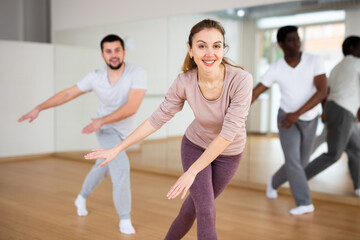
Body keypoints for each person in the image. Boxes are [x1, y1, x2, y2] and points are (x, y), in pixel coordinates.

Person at [84, 19, 252, 240]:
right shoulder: (185, 81)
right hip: (195, 146)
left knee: (192, 208)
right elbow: (157, 119)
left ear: (223, 48)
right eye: (202, 46)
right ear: (190, 50)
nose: (209, 53)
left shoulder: (241, 80)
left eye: (216, 46)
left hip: (228, 153)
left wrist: (191, 172)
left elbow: (227, 134)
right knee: (206, 211)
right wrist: (118, 148)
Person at [18, 34, 147, 234]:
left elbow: (132, 107)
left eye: (117, 50)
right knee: (120, 168)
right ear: (102, 54)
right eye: (108, 51)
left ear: (123, 52)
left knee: (102, 167)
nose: (113, 55)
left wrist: (101, 120)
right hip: (105, 130)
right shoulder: (95, 77)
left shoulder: (137, 73)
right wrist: (39, 107)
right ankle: (124, 219)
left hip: (120, 130)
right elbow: (68, 94)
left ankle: (81, 197)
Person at [252, 25, 327, 215]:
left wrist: (299, 114)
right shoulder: (276, 68)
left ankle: (273, 182)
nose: (296, 43)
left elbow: (322, 91)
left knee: (301, 162)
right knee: (293, 161)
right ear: (281, 44)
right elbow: (257, 91)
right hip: (286, 119)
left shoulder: (314, 61)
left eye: (297, 39)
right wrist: (233, 110)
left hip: (309, 118)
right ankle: (304, 202)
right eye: (291, 40)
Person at [304, 36, 360, 197]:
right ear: (351, 48)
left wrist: (325, 112)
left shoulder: (337, 67)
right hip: (343, 110)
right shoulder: (356, 63)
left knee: (356, 149)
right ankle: (300, 178)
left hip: (336, 109)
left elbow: (327, 91)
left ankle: (358, 187)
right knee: (334, 154)